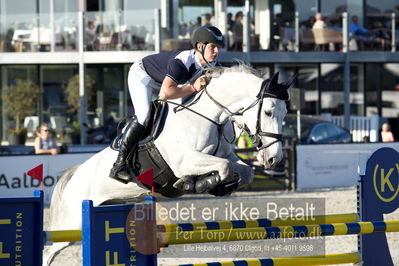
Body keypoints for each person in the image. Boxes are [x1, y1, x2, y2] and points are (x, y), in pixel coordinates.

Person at [109, 25, 224, 183]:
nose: (217, 51)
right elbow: (165, 94)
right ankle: (119, 164)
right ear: (200, 47)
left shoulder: (212, 65)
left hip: (163, 83)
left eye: (219, 48)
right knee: (144, 115)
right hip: (143, 76)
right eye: (213, 47)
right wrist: (192, 87)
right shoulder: (183, 62)